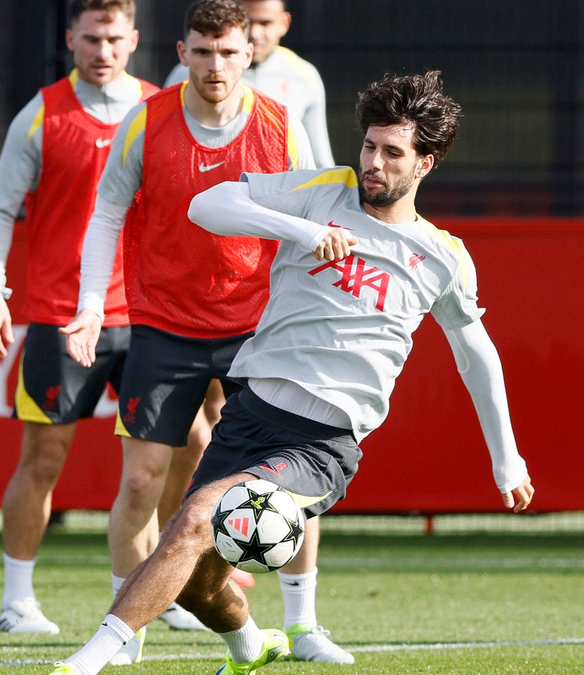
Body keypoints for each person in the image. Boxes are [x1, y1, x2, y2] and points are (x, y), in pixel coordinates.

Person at [51, 69, 535, 675]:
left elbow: (477, 355)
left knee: (199, 516)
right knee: (198, 579)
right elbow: (209, 203)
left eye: (392, 152)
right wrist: (302, 231)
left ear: (425, 164)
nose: (373, 163)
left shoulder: (442, 256)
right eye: (368, 146)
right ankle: (253, 646)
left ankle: (89, 660)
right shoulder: (324, 192)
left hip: (322, 443)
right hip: (251, 415)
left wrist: (506, 458)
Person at [59, 0, 321, 663]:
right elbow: (107, 213)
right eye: (202, 51)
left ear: (248, 54)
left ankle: (304, 625)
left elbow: (317, 217)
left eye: (229, 52)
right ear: (182, 54)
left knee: (291, 475)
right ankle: (130, 626)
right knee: (143, 481)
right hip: (162, 325)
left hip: (256, 328)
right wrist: (93, 304)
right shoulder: (146, 123)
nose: (216, 65)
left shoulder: (281, 125)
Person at [0, 0, 174, 637]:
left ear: (134, 39)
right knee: (43, 458)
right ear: (71, 40)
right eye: (91, 38)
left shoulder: (161, 109)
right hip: (64, 315)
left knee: (181, 449)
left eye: (114, 38)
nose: (103, 50)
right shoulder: (40, 114)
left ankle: (167, 590)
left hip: (149, 313)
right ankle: (17, 602)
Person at [160, 0, 346, 661]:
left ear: (276, 29)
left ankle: (302, 622)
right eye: (215, 46)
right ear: (189, 51)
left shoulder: (297, 89)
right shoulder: (173, 101)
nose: (243, 47)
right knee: (194, 450)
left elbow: (324, 180)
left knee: (299, 458)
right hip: (189, 308)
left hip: (271, 307)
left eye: (259, 31)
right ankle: (186, 589)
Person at [165, 0, 334, 167]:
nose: (254, 32)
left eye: (265, 23)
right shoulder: (187, 73)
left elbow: (320, 164)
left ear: (284, 23)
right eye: (247, 22)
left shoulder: (304, 77)